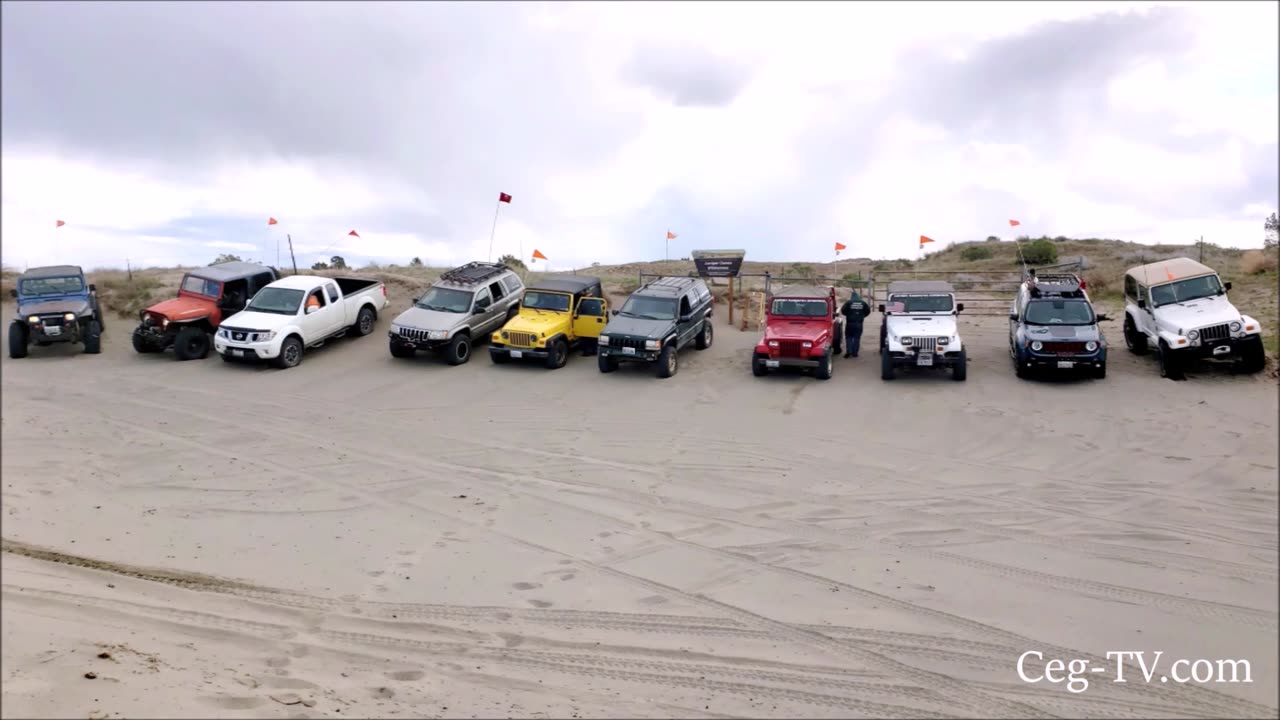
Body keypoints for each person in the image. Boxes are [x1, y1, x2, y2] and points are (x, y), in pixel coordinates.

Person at [840, 290, 871, 357]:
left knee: (848, 337)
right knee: (857, 338)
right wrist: (862, 316)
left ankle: (849, 351)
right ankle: (855, 353)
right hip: (859, 323)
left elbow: (843, 311)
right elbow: (868, 311)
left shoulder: (849, 302)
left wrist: (848, 314)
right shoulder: (863, 303)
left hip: (850, 323)